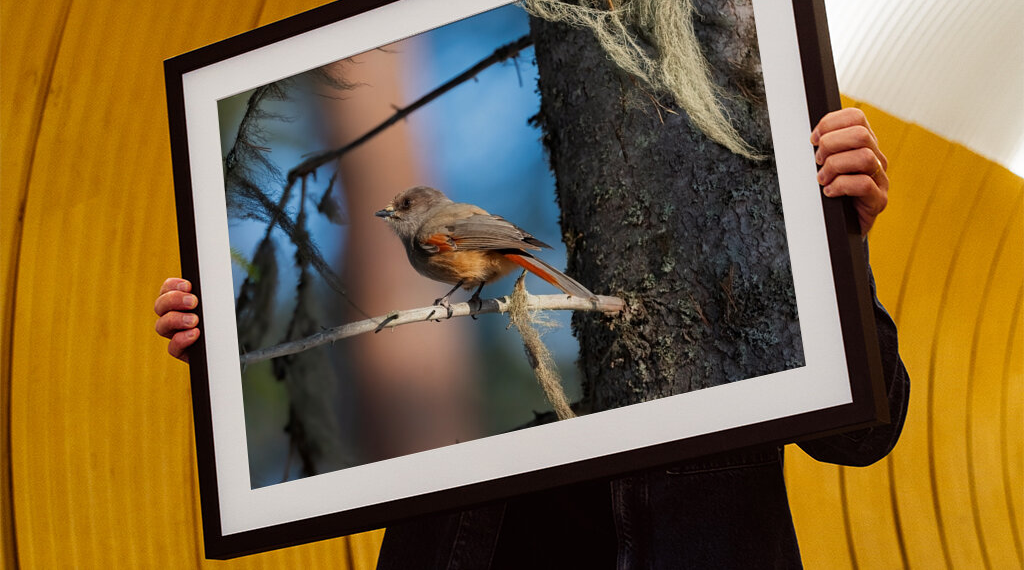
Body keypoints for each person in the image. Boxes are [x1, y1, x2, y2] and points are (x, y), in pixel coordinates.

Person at [154, 107, 908, 568]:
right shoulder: (429, 237)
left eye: (401, 210)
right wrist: (226, 340)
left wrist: (837, 245)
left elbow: (864, 434)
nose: (396, 217)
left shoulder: (753, 244)